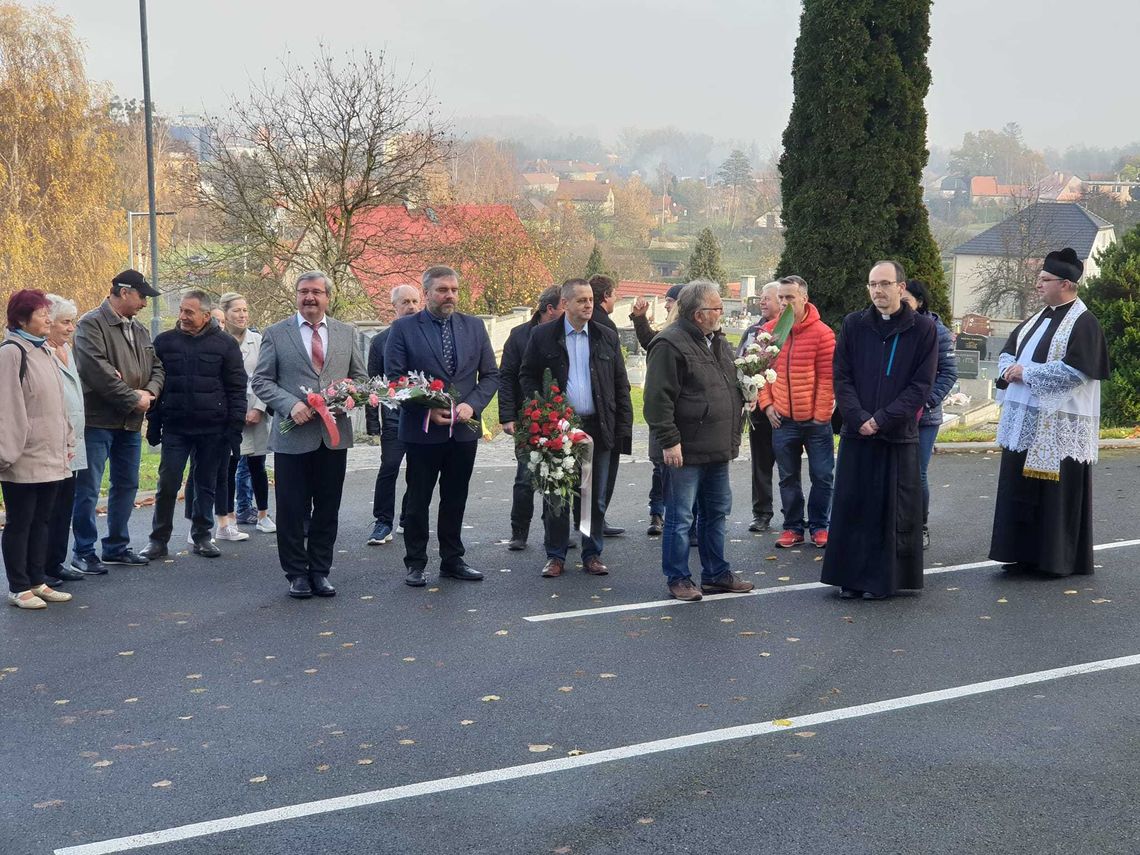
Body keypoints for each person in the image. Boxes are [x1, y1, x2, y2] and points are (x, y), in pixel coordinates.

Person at [989, 248, 1110, 578]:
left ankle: (1055, 559)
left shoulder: (1084, 322)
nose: (1038, 284)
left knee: (1053, 498)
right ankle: (1019, 553)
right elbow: (1007, 353)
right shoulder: (1035, 319)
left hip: (1057, 426)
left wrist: (1024, 373)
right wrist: (1009, 368)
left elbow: (1077, 371)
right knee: (1019, 488)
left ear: (1067, 284)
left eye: (1045, 279)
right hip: (1025, 421)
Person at [821, 261, 937, 600]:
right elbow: (841, 376)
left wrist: (882, 418)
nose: (877, 291)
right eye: (872, 284)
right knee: (854, 506)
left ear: (901, 287)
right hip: (858, 433)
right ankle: (851, 578)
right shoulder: (854, 325)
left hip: (896, 435)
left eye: (885, 284)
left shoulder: (922, 329)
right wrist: (857, 417)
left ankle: (882, 581)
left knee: (889, 510)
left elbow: (920, 386)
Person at [252, 271, 367, 598]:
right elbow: (261, 381)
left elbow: (359, 378)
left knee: (327, 507)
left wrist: (346, 398)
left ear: (328, 297)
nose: (309, 298)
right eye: (304, 292)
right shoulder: (276, 333)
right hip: (292, 436)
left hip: (333, 437)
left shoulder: (346, 333)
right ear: (297, 296)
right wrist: (290, 406)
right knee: (290, 509)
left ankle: (320, 571)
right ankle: (296, 574)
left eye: (316, 292)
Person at [384, 265, 499, 587]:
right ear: (426, 293)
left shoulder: (474, 327)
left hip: (464, 429)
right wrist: (427, 410)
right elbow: (395, 381)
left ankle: (452, 559)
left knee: (455, 496)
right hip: (422, 432)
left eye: (454, 290)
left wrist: (471, 406)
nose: (449, 295)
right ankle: (416, 562)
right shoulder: (404, 329)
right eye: (442, 290)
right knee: (419, 498)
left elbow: (491, 375)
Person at [644, 280, 753, 601]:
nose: (721, 312)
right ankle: (678, 577)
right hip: (684, 448)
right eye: (715, 308)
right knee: (680, 519)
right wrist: (669, 441)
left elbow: (727, 382)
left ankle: (716, 573)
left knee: (716, 511)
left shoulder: (716, 341)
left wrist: (747, 393)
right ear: (697, 313)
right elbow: (656, 400)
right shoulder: (669, 344)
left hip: (716, 446)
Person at [519, 279, 633, 578]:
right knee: (556, 493)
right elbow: (527, 375)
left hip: (598, 427)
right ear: (565, 303)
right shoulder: (543, 336)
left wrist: (623, 426)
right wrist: (542, 408)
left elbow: (620, 384)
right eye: (581, 300)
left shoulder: (606, 336)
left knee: (591, 496)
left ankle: (591, 553)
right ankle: (555, 555)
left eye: (591, 299)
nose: (588, 305)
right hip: (558, 427)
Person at [139, 291, 247, 560]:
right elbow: (156, 384)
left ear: (206, 316)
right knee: (168, 484)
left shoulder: (225, 344)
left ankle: (202, 536)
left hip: (213, 429)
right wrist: (153, 423)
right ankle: (158, 540)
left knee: (206, 484)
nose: (183, 317)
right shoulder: (164, 342)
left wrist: (234, 430)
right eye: (182, 311)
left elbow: (236, 388)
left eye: (190, 312)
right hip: (176, 427)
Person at [71, 269, 165, 575]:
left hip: (130, 423)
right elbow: (96, 372)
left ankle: (115, 547)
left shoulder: (139, 330)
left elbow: (157, 368)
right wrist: (132, 398)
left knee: (127, 484)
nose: (144, 304)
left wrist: (148, 392)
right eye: (142, 297)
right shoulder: (90, 324)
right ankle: (84, 551)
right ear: (124, 292)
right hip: (98, 422)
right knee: (88, 488)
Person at [1, 290, 75, 609]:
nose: (48, 318)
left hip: (51, 453)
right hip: (22, 456)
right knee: (21, 521)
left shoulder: (44, 350)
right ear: (21, 319)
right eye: (42, 313)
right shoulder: (11, 353)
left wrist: (67, 441)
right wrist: (7, 454)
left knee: (42, 520)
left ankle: (37, 580)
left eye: (48, 313)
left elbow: (59, 405)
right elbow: (7, 408)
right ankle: (19, 586)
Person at [759, 275, 836, 549]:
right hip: (782, 419)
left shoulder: (823, 334)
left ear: (804, 298)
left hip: (815, 422)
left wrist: (820, 415)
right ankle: (792, 527)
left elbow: (827, 379)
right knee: (787, 477)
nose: (784, 303)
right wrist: (767, 405)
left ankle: (819, 526)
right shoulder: (769, 331)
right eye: (780, 298)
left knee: (822, 475)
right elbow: (760, 374)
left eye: (789, 297)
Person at [499, 285, 563, 551]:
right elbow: (507, 376)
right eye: (564, 305)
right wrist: (507, 416)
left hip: (560, 415)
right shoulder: (519, 336)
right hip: (528, 416)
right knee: (525, 477)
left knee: (557, 474)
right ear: (550, 309)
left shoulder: (566, 333)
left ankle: (555, 532)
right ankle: (519, 531)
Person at [364, 284, 422, 546]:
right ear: (394, 307)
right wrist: (372, 424)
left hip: (423, 417)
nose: (410, 306)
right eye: (405, 302)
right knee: (389, 468)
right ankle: (382, 522)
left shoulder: (427, 335)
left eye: (414, 301)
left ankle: (408, 518)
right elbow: (372, 384)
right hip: (393, 417)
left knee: (418, 471)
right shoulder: (380, 341)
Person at [903, 280, 957, 549]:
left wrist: (927, 401)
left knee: (917, 473)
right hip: (894, 413)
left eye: (907, 301)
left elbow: (948, 372)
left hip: (924, 417)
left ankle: (920, 525)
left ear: (920, 302)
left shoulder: (938, 331)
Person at [630, 283, 684, 536]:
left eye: (670, 301)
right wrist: (640, 319)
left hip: (682, 412)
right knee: (660, 466)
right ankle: (657, 513)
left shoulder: (686, 332)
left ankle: (675, 515)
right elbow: (649, 341)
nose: (665, 305)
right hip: (662, 411)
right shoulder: (666, 332)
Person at [42, 295, 88, 587]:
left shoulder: (67, 351)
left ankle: (56, 562)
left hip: (74, 442)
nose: (71, 328)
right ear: (49, 323)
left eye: (72, 322)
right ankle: (41, 567)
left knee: (63, 508)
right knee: (47, 510)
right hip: (50, 444)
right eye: (65, 322)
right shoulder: (39, 353)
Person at [220, 292, 275, 534]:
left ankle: (263, 514)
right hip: (229, 413)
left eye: (245, 310)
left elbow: (266, 376)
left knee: (257, 465)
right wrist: (234, 411)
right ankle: (229, 517)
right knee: (229, 466)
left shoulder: (259, 340)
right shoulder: (219, 341)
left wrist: (259, 408)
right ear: (225, 314)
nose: (242, 315)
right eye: (236, 311)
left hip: (256, 410)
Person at [737, 280, 781, 533]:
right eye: (762, 298)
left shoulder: (790, 332)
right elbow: (741, 364)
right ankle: (761, 513)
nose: (762, 302)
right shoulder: (753, 331)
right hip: (759, 408)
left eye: (767, 298)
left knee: (790, 467)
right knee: (761, 464)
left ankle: (795, 517)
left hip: (787, 408)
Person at [587, 273, 627, 537]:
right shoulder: (606, 329)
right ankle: (594, 526)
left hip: (600, 413)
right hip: (602, 416)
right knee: (599, 478)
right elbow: (617, 379)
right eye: (614, 295)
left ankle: (586, 527)